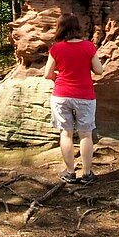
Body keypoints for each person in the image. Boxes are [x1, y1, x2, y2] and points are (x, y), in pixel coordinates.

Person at [44, 12, 104, 184]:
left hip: (61, 95)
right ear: (77, 27)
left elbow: (48, 74)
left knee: (66, 133)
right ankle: (86, 173)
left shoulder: (56, 49)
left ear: (60, 28)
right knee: (86, 134)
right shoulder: (89, 47)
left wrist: (58, 77)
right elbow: (99, 71)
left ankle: (70, 172)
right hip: (85, 95)